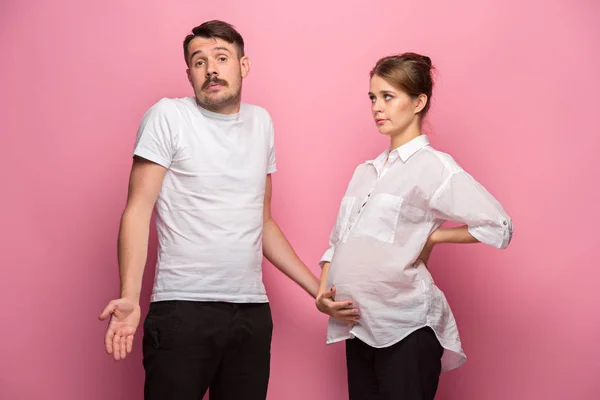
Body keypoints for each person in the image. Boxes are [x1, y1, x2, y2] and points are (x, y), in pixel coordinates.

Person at [98, 20, 319, 400]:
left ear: (243, 65)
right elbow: (137, 210)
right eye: (199, 62)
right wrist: (130, 298)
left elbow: (261, 221)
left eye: (221, 58)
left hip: (251, 312)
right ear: (189, 73)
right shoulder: (168, 116)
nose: (212, 69)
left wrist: (317, 290)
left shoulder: (261, 123)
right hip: (183, 309)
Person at [315, 52, 513, 400]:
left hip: (406, 330)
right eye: (373, 98)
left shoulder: (433, 167)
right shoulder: (365, 172)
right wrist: (322, 295)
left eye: (388, 97)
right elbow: (338, 242)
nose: (377, 107)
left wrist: (435, 236)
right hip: (358, 329)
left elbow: (499, 225)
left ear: (419, 102)